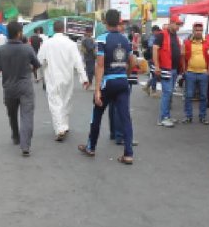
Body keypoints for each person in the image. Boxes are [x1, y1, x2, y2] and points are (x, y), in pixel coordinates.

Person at [78, 9, 136, 164]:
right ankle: (128, 154)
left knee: (97, 115)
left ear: (105, 22)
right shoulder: (126, 40)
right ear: (119, 21)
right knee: (125, 118)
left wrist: (97, 90)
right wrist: (126, 74)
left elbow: (100, 65)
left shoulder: (102, 39)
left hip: (108, 82)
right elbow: (133, 62)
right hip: (123, 81)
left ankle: (91, 147)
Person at [0, 20, 40, 156]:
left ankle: (15, 136)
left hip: (9, 88)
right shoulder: (27, 48)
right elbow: (36, 64)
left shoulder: (0, 50)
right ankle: (25, 146)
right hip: (25, 87)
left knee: (12, 114)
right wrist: (30, 67)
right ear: (19, 33)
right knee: (27, 116)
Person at [36, 19, 89, 141]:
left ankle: (60, 128)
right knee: (66, 101)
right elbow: (78, 62)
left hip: (53, 77)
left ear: (53, 29)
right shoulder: (71, 44)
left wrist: (40, 73)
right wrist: (84, 78)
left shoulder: (47, 43)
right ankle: (64, 125)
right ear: (63, 29)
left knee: (55, 103)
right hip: (67, 78)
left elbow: (40, 61)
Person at [153, 15, 184, 127]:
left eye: (179, 25)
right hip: (166, 68)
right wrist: (157, 66)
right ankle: (163, 118)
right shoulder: (161, 35)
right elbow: (155, 49)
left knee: (169, 93)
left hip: (174, 68)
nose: (178, 27)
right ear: (171, 23)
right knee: (167, 92)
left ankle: (167, 115)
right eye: (176, 24)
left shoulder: (174, 36)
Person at [182, 21, 209, 124]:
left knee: (203, 96)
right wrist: (184, 70)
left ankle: (202, 116)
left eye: (200, 30)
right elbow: (183, 57)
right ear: (193, 31)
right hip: (190, 72)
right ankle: (188, 116)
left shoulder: (208, 43)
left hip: (203, 73)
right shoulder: (187, 43)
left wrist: (208, 72)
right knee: (189, 96)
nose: (198, 32)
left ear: (202, 31)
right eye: (196, 30)